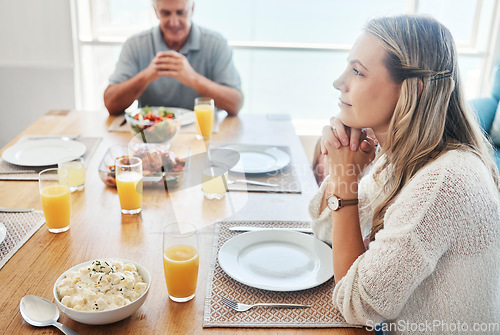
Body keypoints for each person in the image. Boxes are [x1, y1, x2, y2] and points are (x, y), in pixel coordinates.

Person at [309, 15, 500, 333]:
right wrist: (350, 167)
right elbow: (324, 226)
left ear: (413, 89)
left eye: (357, 71)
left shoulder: (443, 184)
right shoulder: (400, 158)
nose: (339, 82)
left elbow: (358, 307)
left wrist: (345, 182)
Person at [104, 0, 243, 116]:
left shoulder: (216, 44)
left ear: (192, 9)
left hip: (202, 135)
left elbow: (236, 103)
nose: (174, 22)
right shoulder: (135, 45)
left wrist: (193, 79)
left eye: (181, 12)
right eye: (166, 13)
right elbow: (111, 104)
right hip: (151, 137)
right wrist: (146, 76)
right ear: (156, 11)